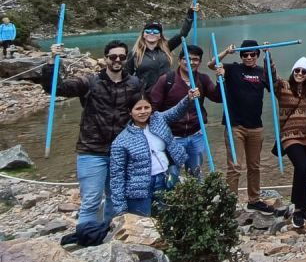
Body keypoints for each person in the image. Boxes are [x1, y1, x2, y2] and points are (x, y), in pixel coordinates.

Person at [41, 41, 141, 225]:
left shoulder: (134, 83)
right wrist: (51, 63)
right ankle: (86, 238)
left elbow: (139, 113)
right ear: (105, 59)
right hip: (91, 151)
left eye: (121, 57)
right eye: (113, 57)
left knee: (116, 198)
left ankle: (110, 235)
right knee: (91, 201)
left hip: (120, 151)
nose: (117, 60)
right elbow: (56, 88)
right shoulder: (89, 82)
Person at [209, 39, 277, 212]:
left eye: (252, 54)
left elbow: (273, 82)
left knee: (254, 165)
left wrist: (268, 54)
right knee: (235, 166)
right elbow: (212, 64)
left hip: (256, 126)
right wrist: (225, 52)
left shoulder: (261, 72)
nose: (248, 57)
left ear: (257, 55)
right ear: (241, 56)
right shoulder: (232, 69)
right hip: (235, 125)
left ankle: (254, 199)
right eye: (245, 54)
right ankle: (230, 203)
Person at [109, 88, 201, 216]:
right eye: (138, 109)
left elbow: (176, 111)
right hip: (139, 190)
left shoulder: (158, 120)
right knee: (143, 225)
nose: (143, 112)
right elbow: (117, 176)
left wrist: (188, 98)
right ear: (130, 112)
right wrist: (120, 208)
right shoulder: (121, 141)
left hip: (165, 179)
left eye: (146, 107)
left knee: (169, 219)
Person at [150, 44, 222, 177]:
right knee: (172, 175)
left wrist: (220, 80)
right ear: (179, 60)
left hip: (196, 135)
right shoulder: (167, 80)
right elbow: (153, 108)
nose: (191, 62)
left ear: (200, 62)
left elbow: (218, 97)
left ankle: (195, 197)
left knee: (195, 174)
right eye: (187, 59)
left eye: (195, 59)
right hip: (172, 137)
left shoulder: (202, 79)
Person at [272, 57, 306, 229]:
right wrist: (268, 57)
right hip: (290, 136)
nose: (300, 74)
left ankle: (304, 206)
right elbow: (272, 76)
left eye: (303, 71)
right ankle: (297, 210)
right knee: (301, 167)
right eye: (297, 70)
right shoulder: (283, 87)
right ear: (293, 71)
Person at [126, 5, 198, 90]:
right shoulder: (134, 53)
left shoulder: (166, 47)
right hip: (147, 96)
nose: (152, 33)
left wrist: (190, 15)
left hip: (168, 93)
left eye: (156, 31)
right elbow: (127, 77)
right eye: (148, 31)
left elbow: (183, 34)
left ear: (160, 36)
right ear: (143, 35)